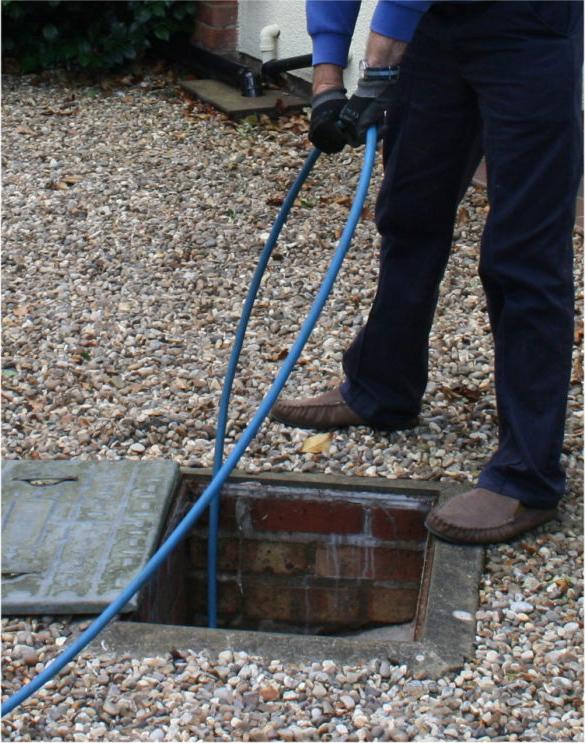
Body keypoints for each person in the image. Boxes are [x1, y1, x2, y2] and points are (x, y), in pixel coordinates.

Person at [270, 0, 583, 544]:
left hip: (530, 25)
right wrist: (326, 82)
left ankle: (526, 474)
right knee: (409, 212)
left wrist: (381, 62)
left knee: (521, 253)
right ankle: (381, 387)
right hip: (437, 25)